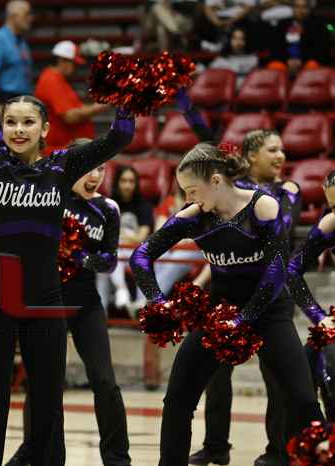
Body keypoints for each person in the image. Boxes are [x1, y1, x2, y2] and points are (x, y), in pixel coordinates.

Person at [0, 68, 134, 465]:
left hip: (45, 298)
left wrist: (129, 100)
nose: (18, 130)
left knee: (47, 400)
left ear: (45, 129)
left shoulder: (62, 168)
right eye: (10, 122)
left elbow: (119, 137)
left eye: (28, 122)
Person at [129, 142, 325, 466]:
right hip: (219, 312)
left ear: (216, 181)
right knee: (177, 398)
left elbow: (277, 272)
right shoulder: (195, 216)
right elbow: (140, 256)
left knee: (303, 400)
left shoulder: (263, 207)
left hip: (269, 313)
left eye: (192, 190)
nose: (188, 199)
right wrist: (158, 302)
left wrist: (244, 319)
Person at [180, 90, 303, 466]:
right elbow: (207, 139)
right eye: (272, 150)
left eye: (282, 150)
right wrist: (182, 98)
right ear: (250, 157)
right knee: (216, 374)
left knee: (277, 376)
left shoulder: (287, 191)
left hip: (270, 291)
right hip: (229, 290)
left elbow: (278, 237)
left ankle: (278, 451)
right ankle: (216, 446)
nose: (281, 156)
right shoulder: (229, 191)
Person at [4, 139, 131, 466]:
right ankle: (35, 451)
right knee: (44, 383)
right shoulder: (50, 198)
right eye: (88, 168)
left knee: (105, 380)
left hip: (86, 302)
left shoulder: (109, 209)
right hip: (49, 301)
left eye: (101, 168)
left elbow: (109, 261)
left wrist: (80, 257)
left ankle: (118, 459)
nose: (95, 176)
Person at [287, 170, 335, 421]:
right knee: (302, 370)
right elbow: (291, 271)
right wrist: (318, 316)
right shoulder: (330, 224)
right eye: (334, 206)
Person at [34, 41, 107, 155]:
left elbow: (78, 108)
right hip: (58, 152)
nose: (75, 68)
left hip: (67, 151)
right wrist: (100, 106)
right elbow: (70, 117)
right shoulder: (51, 80)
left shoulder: (59, 80)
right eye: (73, 63)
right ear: (62, 60)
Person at [108, 165, 154, 313]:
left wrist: (121, 234)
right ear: (117, 182)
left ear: (136, 184)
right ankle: (122, 291)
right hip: (117, 250)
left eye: (131, 181)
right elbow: (105, 234)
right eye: (123, 181)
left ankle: (123, 293)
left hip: (135, 250)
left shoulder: (144, 205)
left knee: (114, 250)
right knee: (112, 252)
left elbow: (141, 237)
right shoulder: (109, 204)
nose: (127, 185)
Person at [0, 1, 34, 118]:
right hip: (5, 99)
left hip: (22, 98)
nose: (30, 18)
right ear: (13, 16)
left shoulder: (21, 41)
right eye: (26, 14)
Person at [266, 0, 331, 75]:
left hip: (308, 62)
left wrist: (301, 61)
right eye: (297, 7)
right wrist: (286, 60)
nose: (300, 10)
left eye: (304, 7)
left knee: (312, 66)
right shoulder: (283, 24)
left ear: (309, 9)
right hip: (285, 62)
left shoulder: (318, 25)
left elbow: (320, 49)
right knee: (273, 66)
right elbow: (275, 47)